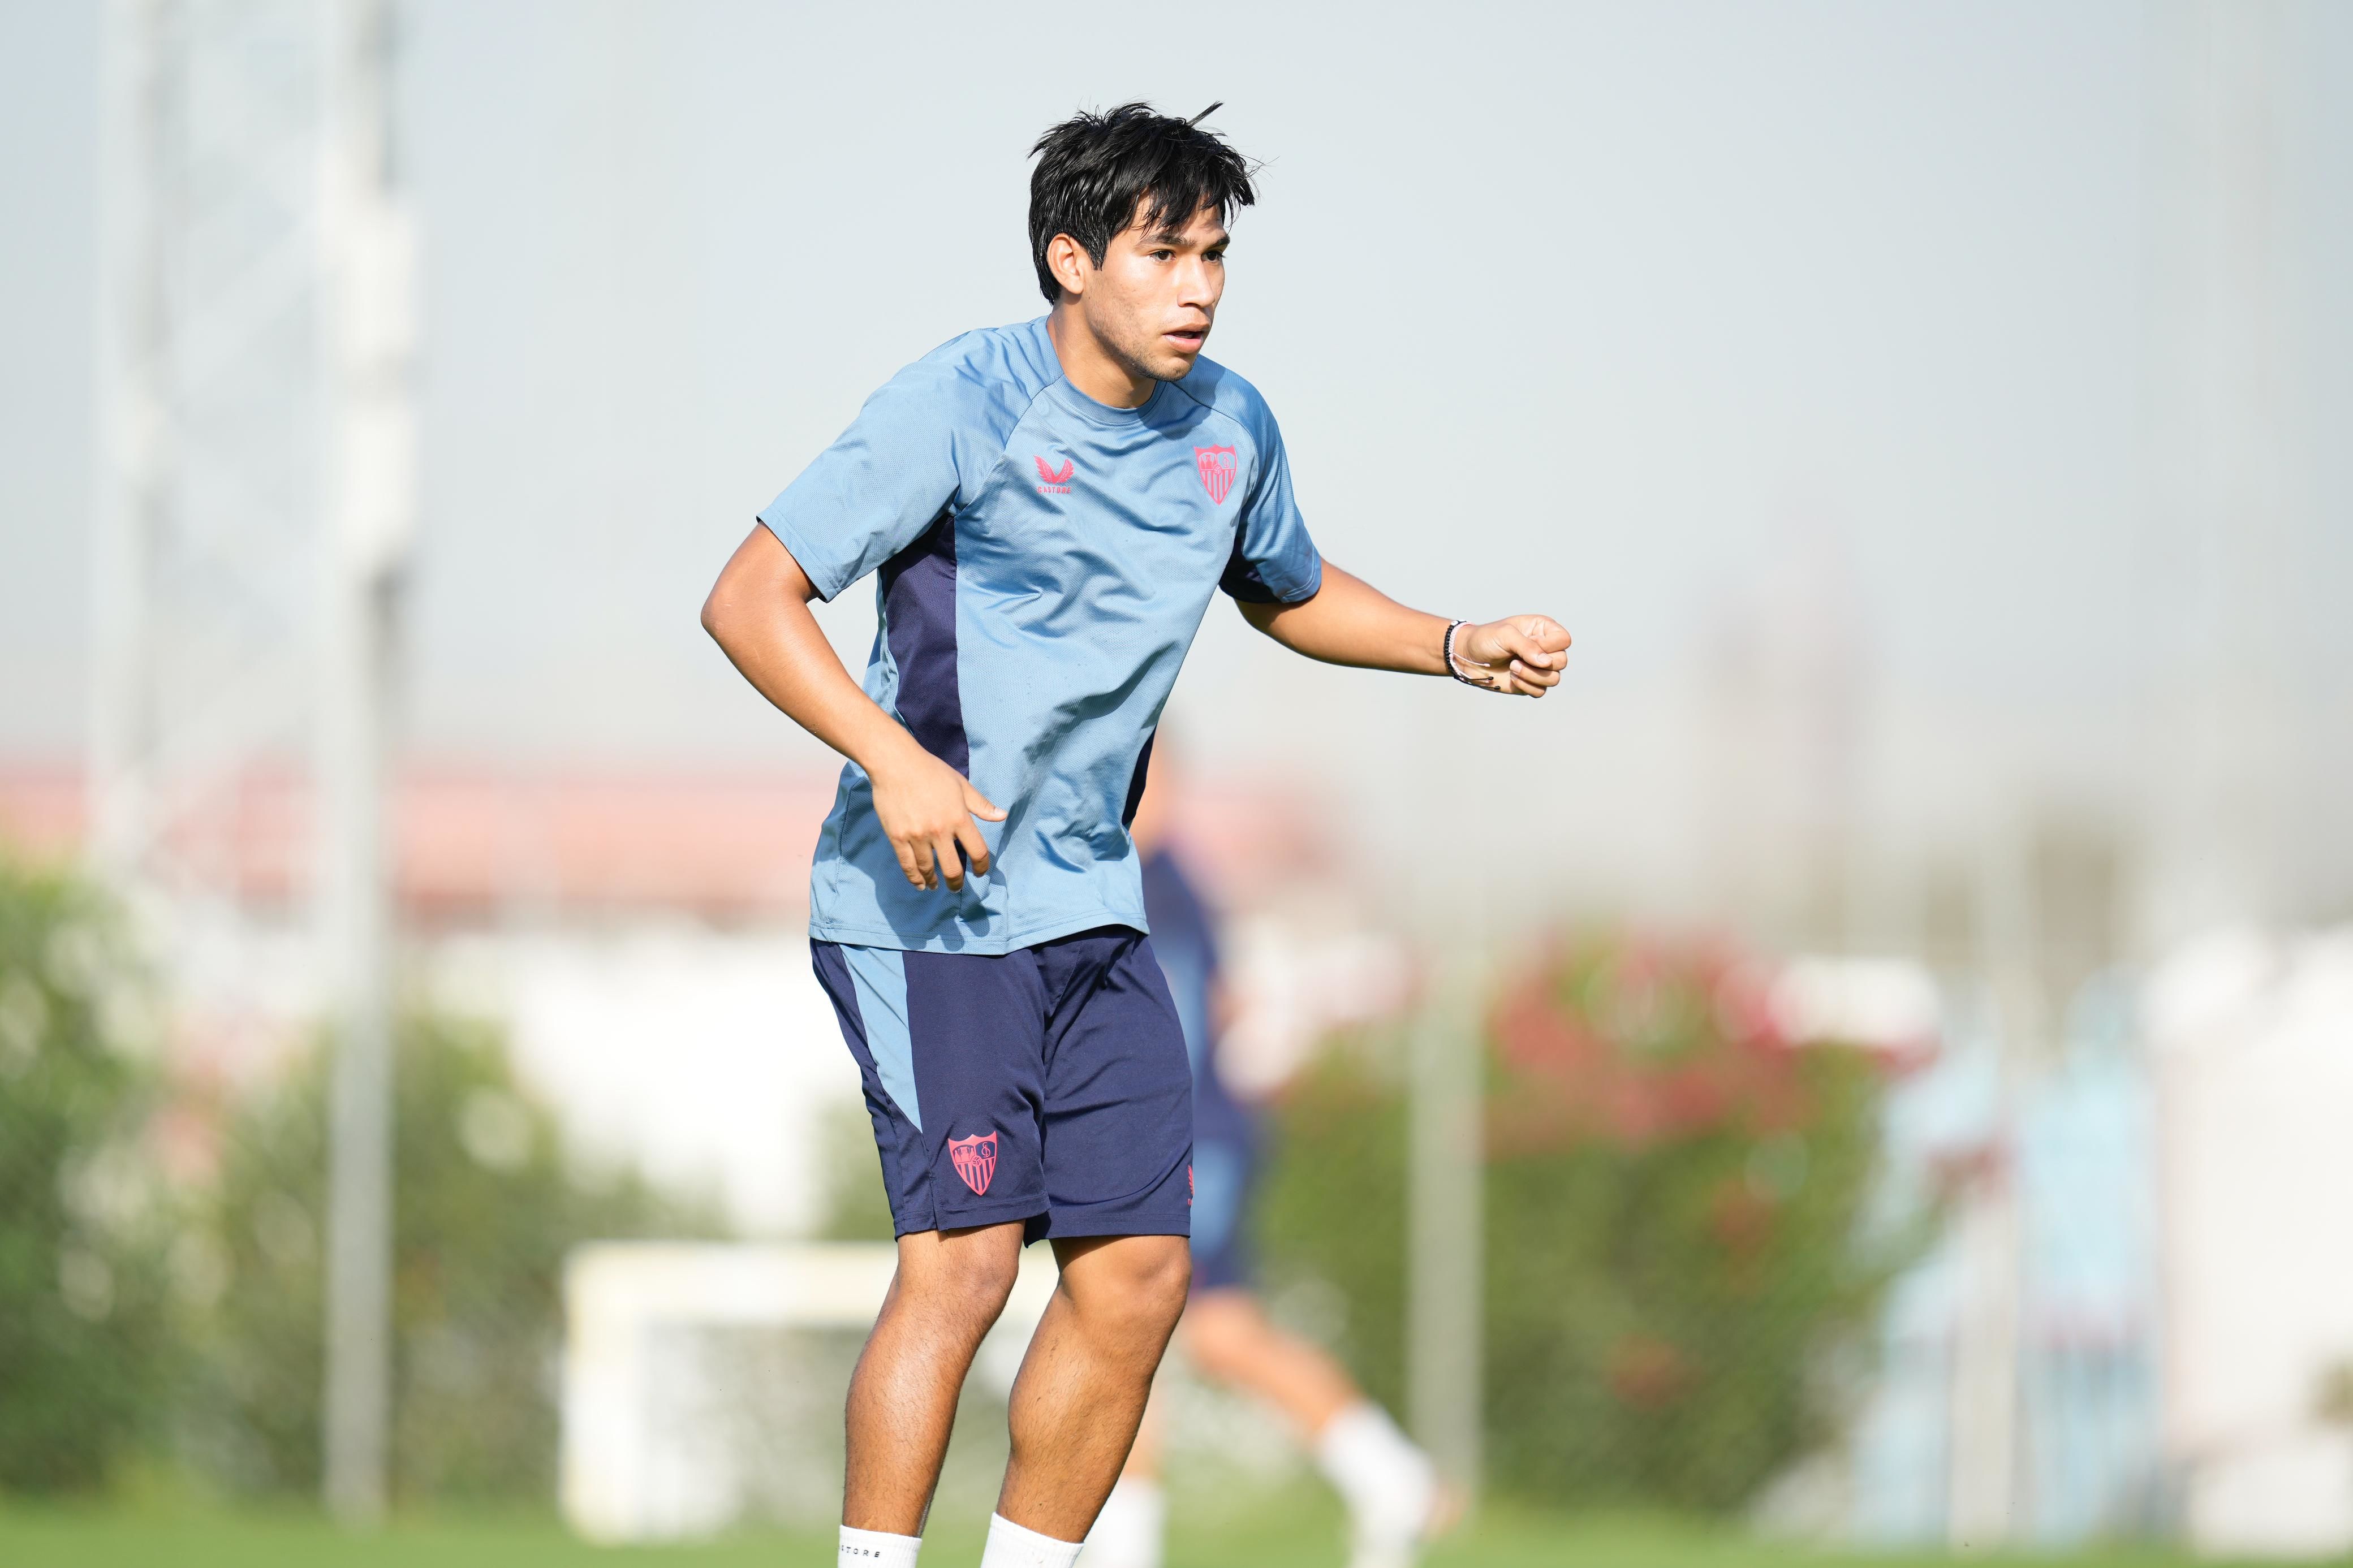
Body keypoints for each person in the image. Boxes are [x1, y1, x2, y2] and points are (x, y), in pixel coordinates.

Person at [700, 101, 1570, 1568]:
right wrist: (890, 757)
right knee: (967, 1261)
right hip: (926, 904)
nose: (1199, 286)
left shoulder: (1230, 425)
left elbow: (1283, 589)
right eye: (1165, 253)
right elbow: (748, 598)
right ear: (1070, 259)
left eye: (1216, 254)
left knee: (1141, 1279)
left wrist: (1455, 640)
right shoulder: (955, 403)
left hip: (1094, 911)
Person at [1080, 750, 1449, 1568]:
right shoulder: (1164, 883)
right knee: (1220, 1333)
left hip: (1186, 1140)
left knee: (1125, 1324)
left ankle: (1126, 1554)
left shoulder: (1158, 888)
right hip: (1196, 1134)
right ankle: (1395, 1480)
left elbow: (1174, 1027)